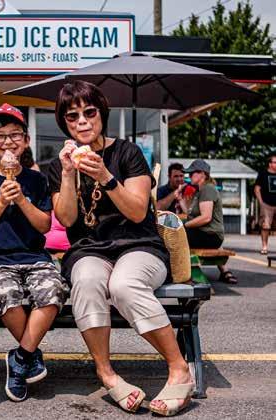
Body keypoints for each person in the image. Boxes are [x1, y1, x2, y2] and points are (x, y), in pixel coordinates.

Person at [48, 81, 194, 416]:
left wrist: (105, 176)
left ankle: (179, 369)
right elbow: (66, 218)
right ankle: (107, 374)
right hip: (89, 249)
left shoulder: (127, 153)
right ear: (64, 123)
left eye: (89, 112)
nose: (82, 121)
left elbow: (138, 211)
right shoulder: (59, 165)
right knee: (86, 281)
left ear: (102, 114)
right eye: (72, 117)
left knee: (124, 285)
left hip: (139, 244)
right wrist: (68, 175)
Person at [0, 103, 69, 402]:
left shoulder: (37, 180)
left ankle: (20, 357)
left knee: (53, 290)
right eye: (0, 136)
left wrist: (21, 200)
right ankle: (31, 355)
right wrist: (0, 202)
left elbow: (44, 225)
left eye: (15, 135)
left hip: (34, 257)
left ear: (26, 141)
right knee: (5, 294)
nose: (8, 142)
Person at [176, 159, 237, 284]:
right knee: (174, 234)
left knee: (175, 236)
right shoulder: (199, 191)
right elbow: (191, 215)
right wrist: (181, 200)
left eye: (192, 173)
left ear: (202, 174)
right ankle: (184, 273)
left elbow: (206, 217)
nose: (189, 176)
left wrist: (183, 226)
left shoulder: (207, 189)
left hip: (210, 236)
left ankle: (183, 275)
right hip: (205, 234)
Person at [253, 154, 276, 254]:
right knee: (265, 226)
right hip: (267, 204)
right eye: (275, 162)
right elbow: (257, 189)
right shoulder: (263, 174)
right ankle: (264, 247)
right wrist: (261, 202)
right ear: (270, 164)